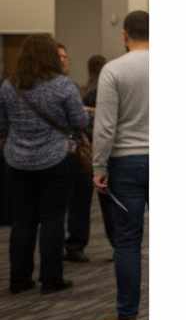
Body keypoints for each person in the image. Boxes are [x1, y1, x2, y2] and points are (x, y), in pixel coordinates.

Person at [0, 34, 89, 294]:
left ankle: (19, 278)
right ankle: (51, 279)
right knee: (52, 219)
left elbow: (2, 125)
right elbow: (79, 120)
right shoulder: (63, 85)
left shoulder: (8, 86)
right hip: (57, 158)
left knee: (23, 220)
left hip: (17, 159)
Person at [93, 13, 150, 320]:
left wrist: (99, 167)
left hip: (125, 163)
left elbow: (105, 126)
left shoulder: (113, 69)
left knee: (128, 243)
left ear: (125, 34)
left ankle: (126, 319)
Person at [64, 48, 103, 263]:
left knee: (79, 201)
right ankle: (71, 245)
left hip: (78, 152)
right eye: (59, 57)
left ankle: (75, 245)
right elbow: (80, 119)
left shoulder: (77, 87)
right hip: (70, 149)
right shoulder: (71, 87)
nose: (64, 61)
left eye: (65, 57)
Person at [79, 55, 116, 256]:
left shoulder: (84, 89)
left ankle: (77, 244)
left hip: (85, 148)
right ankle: (117, 243)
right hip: (99, 147)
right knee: (108, 200)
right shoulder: (102, 88)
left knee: (82, 202)